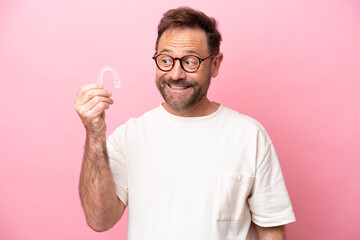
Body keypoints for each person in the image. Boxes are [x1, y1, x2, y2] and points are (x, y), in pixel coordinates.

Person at [74, 7, 295, 240]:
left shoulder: (250, 136)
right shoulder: (130, 136)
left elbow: (271, 231)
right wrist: (95, 135)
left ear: (215, 64)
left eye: (190, 61)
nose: (176, 74)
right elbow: (99, 220)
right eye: (166, 60)